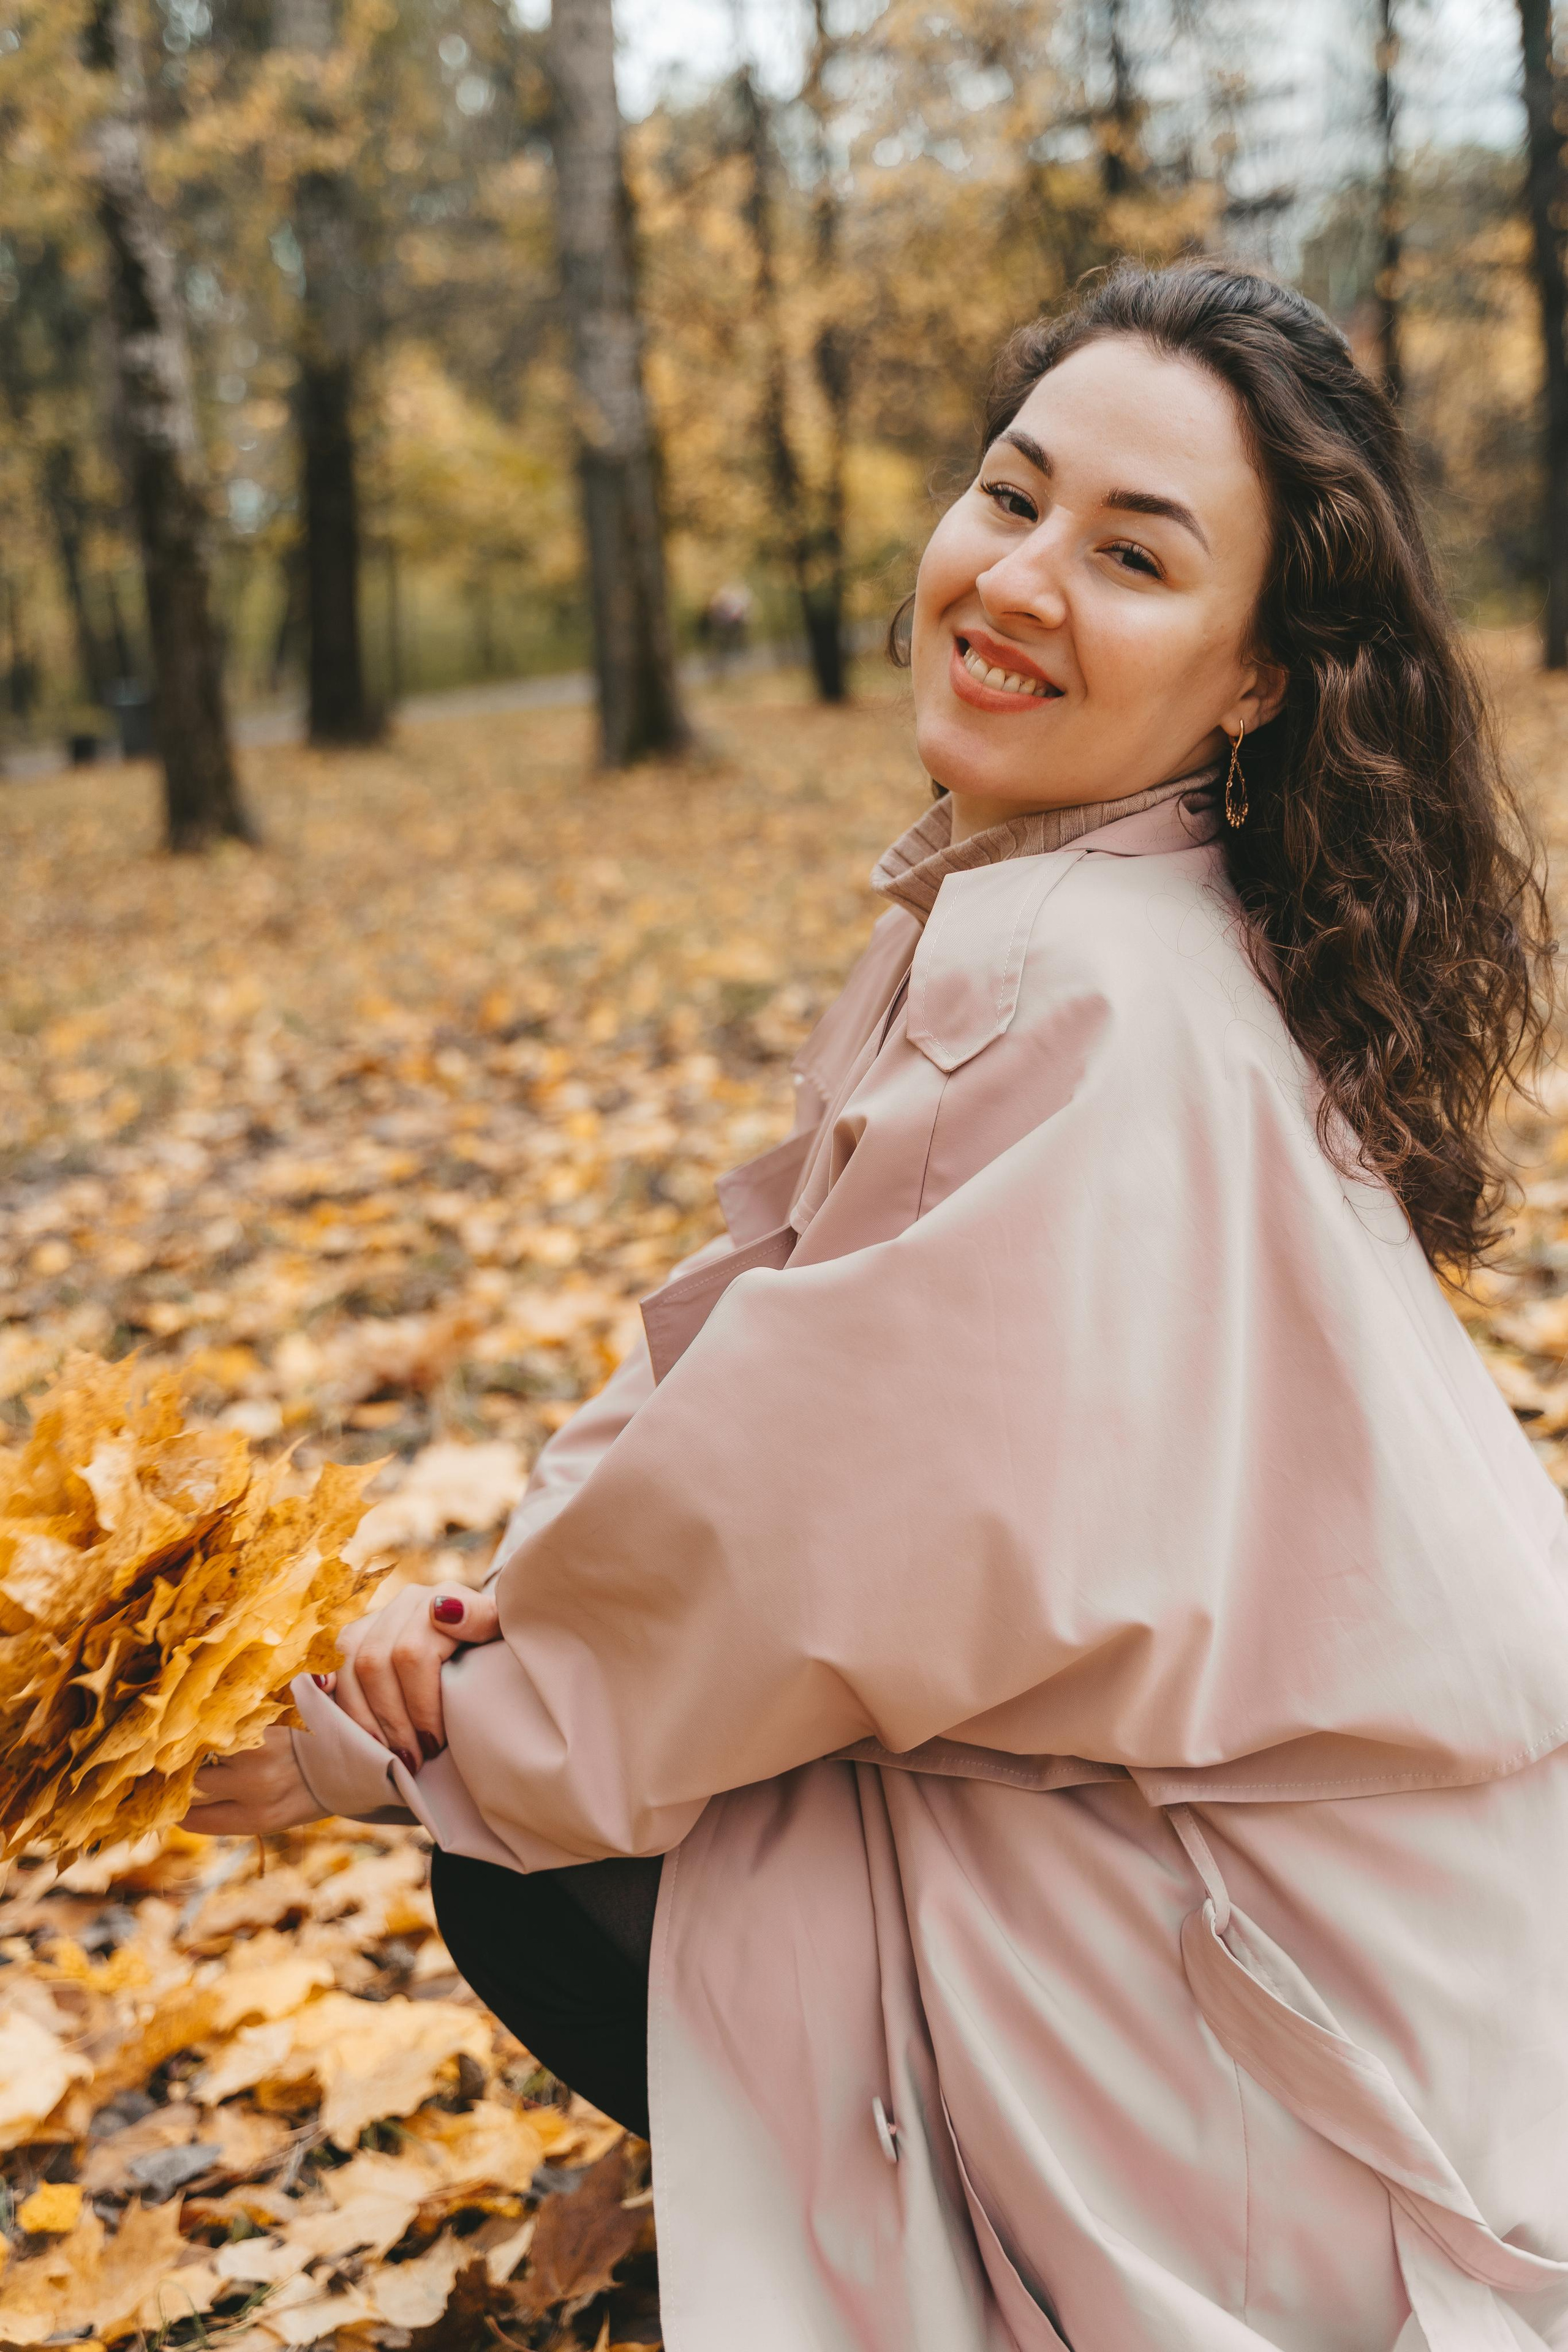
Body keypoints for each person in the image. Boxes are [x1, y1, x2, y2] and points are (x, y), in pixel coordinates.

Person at [188, 264, 1568, 2351]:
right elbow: (761, 1337)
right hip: (1413, 1933)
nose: (1017, 581)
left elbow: (787, 1535)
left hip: (1308, 2025)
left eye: (1131, 553)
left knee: (526, 1863)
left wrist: (383, 1747)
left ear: (1261, 675)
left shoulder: (1079, 979)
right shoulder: (1104, 900)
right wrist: (488, 1619)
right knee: (576, 1769)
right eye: (1009, 496)